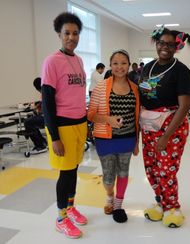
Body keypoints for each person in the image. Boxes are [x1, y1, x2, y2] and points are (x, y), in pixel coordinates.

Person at [139, 26, 190, 228]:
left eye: (170, 44)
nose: (165, 47)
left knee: (166, 170)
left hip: (172, 128)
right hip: (149, 126)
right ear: (156, 43)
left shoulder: (181, 71)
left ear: (176, 47)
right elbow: (144, 96)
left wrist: (165, 136)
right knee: (151, 168)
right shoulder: (148, 67)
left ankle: (173, 208)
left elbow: (184, 106)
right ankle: (160, 203)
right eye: (161, 43)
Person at [41, 12, 87, 239]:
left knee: (75, 169)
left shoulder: (79, 60)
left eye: (75, 33)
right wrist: (54, 136)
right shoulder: (52, 61)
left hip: (80, 124)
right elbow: (47, 102)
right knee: (66, 173)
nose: (71, 37)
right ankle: (61, 218)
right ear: (59, 35)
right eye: (67, 33)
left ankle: (70, 207)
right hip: (63, 127)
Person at [88, 49, 140, 223]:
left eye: (123, 63)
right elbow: (91, 115)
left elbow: (136, 115)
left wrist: (136, 141)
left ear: (128, 64)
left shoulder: (134, 88)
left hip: (127, 139)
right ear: (110, 65)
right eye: (116, 63)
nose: (119, 67)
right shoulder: (101, 88)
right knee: (109, 175)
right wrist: (108, 119)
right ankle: (109, 196)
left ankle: (118, 204)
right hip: (105, 139)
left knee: (123, 173)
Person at [24, 77, 47, 154]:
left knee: (28, 122)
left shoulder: (44, 93)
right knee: (31, 120)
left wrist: (38, 111)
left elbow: (45, 111)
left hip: (48, 119)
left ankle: (40, 146)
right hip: (52, 117)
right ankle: (42, 142)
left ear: (37, 88)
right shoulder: (47, 90)